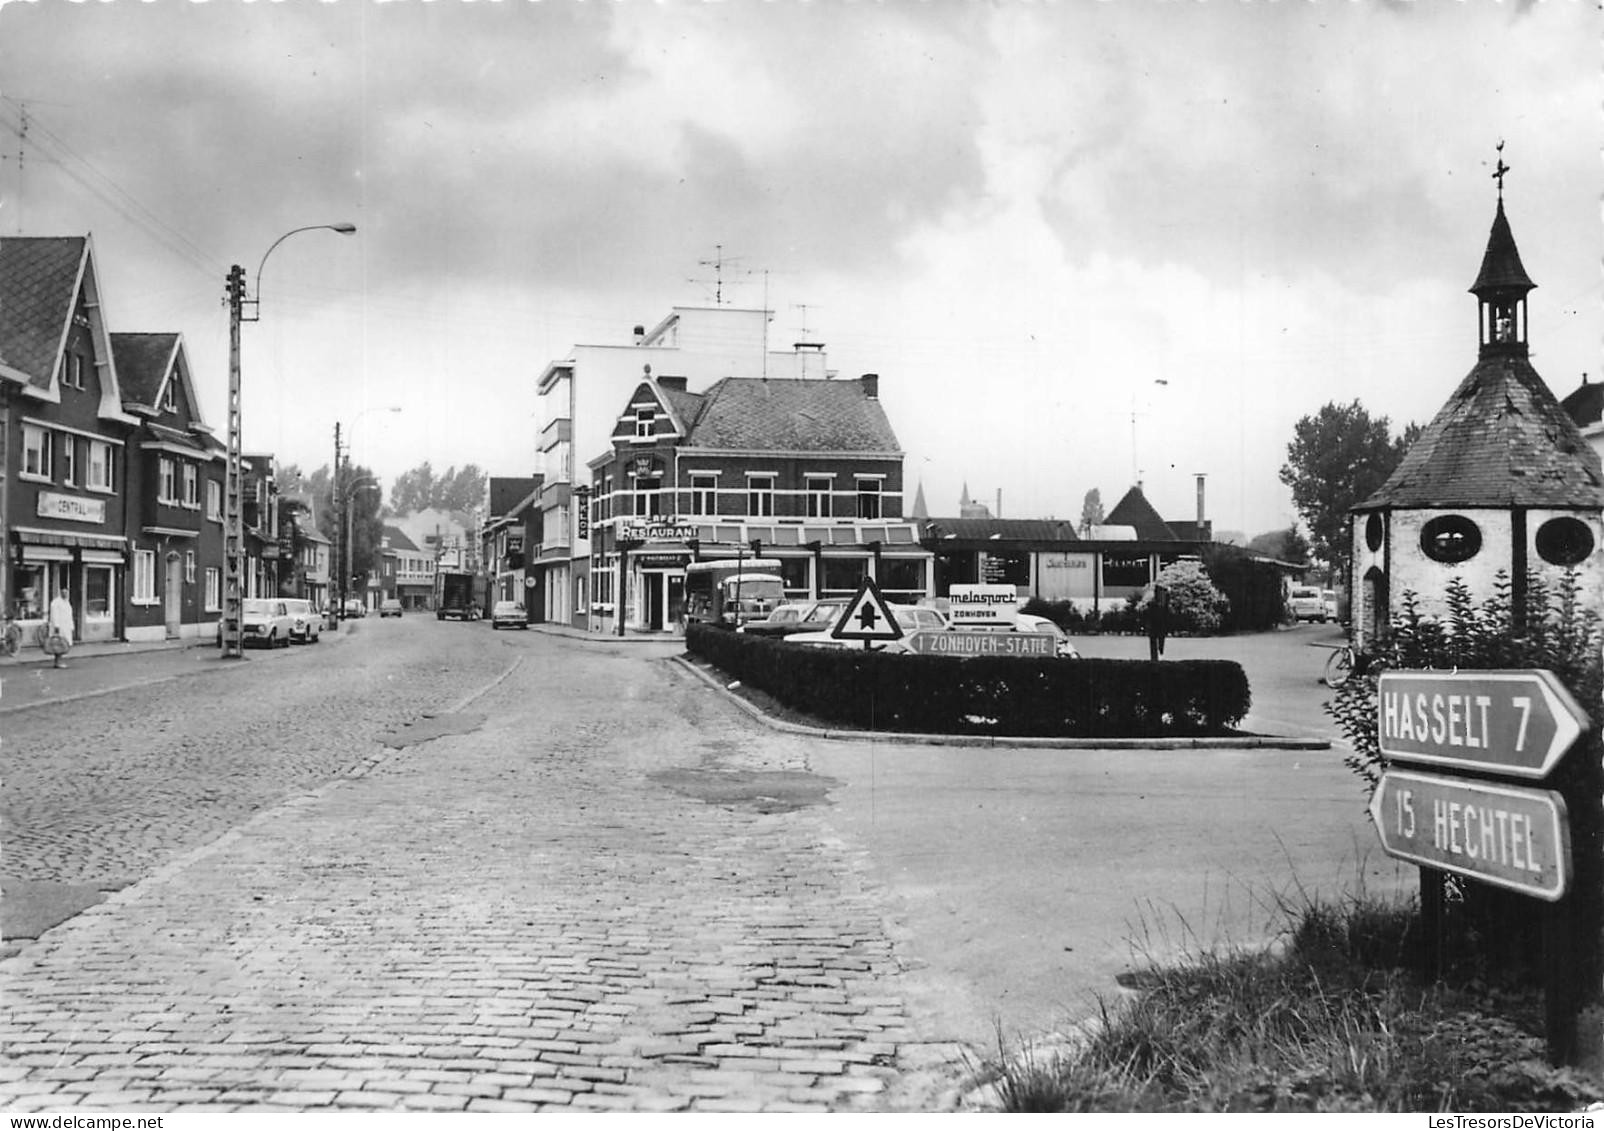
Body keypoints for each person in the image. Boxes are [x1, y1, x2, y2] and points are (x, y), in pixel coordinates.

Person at [47, 590, 74, 668]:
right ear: (60, 593)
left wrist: (71, 626)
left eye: (67, 592)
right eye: (64, 592)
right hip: (60, 627)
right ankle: (57, 662)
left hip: (66, 626)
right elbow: (54, 615)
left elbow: (69, 615)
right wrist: (56, 626)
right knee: (58, 644)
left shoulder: (67, 602)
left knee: (64, 644)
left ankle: (59, 661)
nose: (65, 594)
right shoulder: (55, 603)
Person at [1146, 584, 1170, 662]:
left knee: (1159, 639)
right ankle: (1157, 655)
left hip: (1159, 625)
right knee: (1157, 640)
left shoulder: (1159, 605)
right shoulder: (1154, 605)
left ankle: (1159, 654)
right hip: (1156, 625)